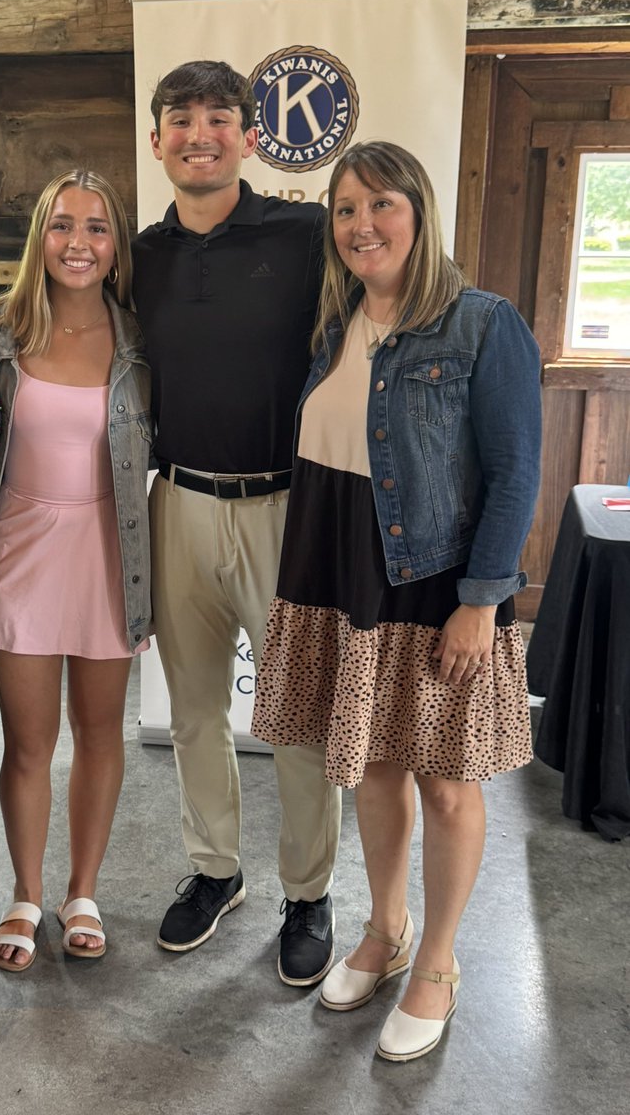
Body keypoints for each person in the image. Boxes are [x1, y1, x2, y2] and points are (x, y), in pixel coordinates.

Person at [252, 140, 542, 1060]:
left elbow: (514, 473)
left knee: (448, 783)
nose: (361, 225)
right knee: (373, 766)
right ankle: (384, 929)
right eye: (344, 209)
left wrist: (482, 600)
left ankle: (440, 964)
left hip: (433, 586)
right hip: (340, 577)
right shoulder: (336, 323)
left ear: (418, 212)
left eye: (380, 205)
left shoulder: (483, 324)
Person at [132, 60, 342, 985]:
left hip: (285, 508)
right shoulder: (141, 254)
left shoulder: (305, 235)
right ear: (158, 142)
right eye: (181, 119)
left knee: (298, 717)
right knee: (194, 711)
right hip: (175, 501)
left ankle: (310, 891)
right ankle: (217, 872)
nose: (200, 133)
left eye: (220, 116)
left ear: (251, 137)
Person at [0, 169, 151, 972]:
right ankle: (25, 892)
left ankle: (82, 890)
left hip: (114, 552)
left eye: (97, 227)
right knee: (27, 742)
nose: (79, 243)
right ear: (40, 239)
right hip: (18, 551)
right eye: (62, 226)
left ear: (116, 248)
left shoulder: (144, 340)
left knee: (100, 731)